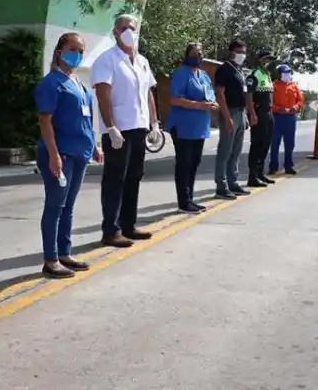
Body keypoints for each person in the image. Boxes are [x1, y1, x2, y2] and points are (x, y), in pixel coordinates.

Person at [35, 32, 103, 278]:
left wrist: (94, 145)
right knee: (55, 205)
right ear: (59, 51)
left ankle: (64, 252)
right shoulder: (51, 83)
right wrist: (53, 154)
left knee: (68, 206)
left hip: (80, 153)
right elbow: (45, 122)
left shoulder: (79, 84)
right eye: (72, 49)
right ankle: (50, 259)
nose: (76, 54)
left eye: (80, 50)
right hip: (60, 153)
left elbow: (86, 119)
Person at [90, 14, 162, 248]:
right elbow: (103, 94)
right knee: (115, 179)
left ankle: (128, 225)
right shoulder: (107, 59)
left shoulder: (141, 60)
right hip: (119, 130)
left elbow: (149, 93)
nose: (129, 31)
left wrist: (154, 123)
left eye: (132, 27)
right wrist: (110, 127)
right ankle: (110, 230)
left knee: (134, 177)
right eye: (124, 28)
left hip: (139, 127)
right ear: (115, 33)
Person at [165, 42, 218, 213]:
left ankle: (191, 199)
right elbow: (175, 99)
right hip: (183, 126)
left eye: (200, 53)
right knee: (184, 163)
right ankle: (184, 201)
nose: (198, 56)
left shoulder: (203, 75)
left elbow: (209, 94)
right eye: (195, 53)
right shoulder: (181, 73)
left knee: (195, 162)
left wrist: (213, 104)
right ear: (187, 55)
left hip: (200, 126)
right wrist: (199, 106)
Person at [214, 39, 254, 199]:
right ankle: (221, 186)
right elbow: (220, 95)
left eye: (244, 52)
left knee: (236, 151)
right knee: (225, 151)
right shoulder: (224, 70)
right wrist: (227, 117)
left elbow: (245, 93)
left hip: (240, 112)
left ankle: (233, 182)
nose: (242, 55)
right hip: (229, 112)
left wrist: (246, 115)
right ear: (231, 52)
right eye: (239, 51)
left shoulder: (239, 70)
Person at [246, 49, 276, 187]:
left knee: (266, 143)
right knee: (257, 144)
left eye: (269, 59)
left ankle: (260, 173)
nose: (268, 62)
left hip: (268, 113)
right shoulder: (254, 74)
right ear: (259, 60)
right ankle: (252, 176)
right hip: (258, 113)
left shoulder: (267, 75)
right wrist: (252, 114)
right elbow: (249, 95)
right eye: (266, 59)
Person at [269, 63, 304, 176]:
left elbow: (300, 101)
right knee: (275, 143)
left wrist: (295, 107)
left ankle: (289, 166)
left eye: (288, 72)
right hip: (277, 118)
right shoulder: (273, 86)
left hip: (290, 118)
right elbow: (270, 103)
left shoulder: (294, 86)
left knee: (290, 143)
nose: (287, 75)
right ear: (279, 74)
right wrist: (279, 109)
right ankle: (273, 166)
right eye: (284, 73)